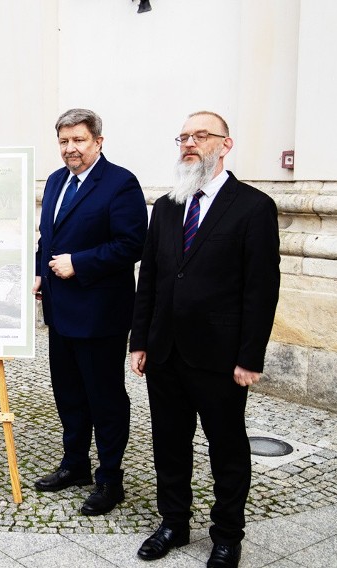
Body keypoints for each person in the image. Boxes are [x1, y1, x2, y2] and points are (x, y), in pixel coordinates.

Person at [129, 111, 280, 568]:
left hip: (220, 356)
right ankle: (173, 522)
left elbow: (261, 289)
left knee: (227, 448)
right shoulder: (170, 205)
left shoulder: (253, 206)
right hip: (165, 351)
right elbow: (150, 277)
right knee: (169, 442)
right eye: (184, 136)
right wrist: (140, 340)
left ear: (225, 144)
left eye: (200, 136)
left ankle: (227, 535)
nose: (189, 143)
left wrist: (250, 356)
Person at [32, 108, 148, 515]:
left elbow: (131, 244)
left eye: (79, 140)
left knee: (105, 400)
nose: (70, 148)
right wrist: (38, 274)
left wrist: (78, 263)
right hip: (60, 313)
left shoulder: (120, 184)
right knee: (68, 395)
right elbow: (46, 239)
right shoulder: (55, 180)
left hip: (100, 316)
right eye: (64, 141)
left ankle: (110, 480)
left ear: (98, 141)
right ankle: (75, 465)